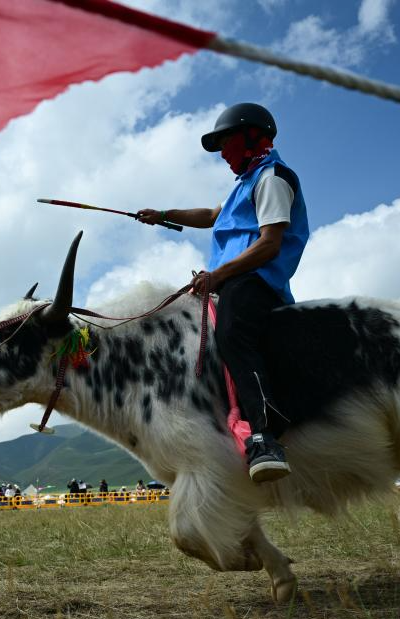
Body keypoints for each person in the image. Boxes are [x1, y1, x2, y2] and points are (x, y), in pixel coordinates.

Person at [137, 102, 309, 484]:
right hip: (232, 281)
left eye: (226, 142)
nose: (222, 153)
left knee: (233, 334)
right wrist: (163, 215)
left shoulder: (272, 178)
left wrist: (217, 275)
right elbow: (211, 216)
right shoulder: (243, 183)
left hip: (255, 280)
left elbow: (270, 245)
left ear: (252, 137)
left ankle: (265, 435)